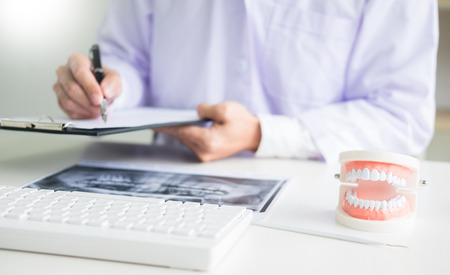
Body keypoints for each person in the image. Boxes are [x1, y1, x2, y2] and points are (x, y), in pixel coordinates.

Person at [53, 0, 439, 163]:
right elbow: (130, 58)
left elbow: (400, 114)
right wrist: (106, 92)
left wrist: (263, 134)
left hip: (313, 206)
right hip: (164, 186)